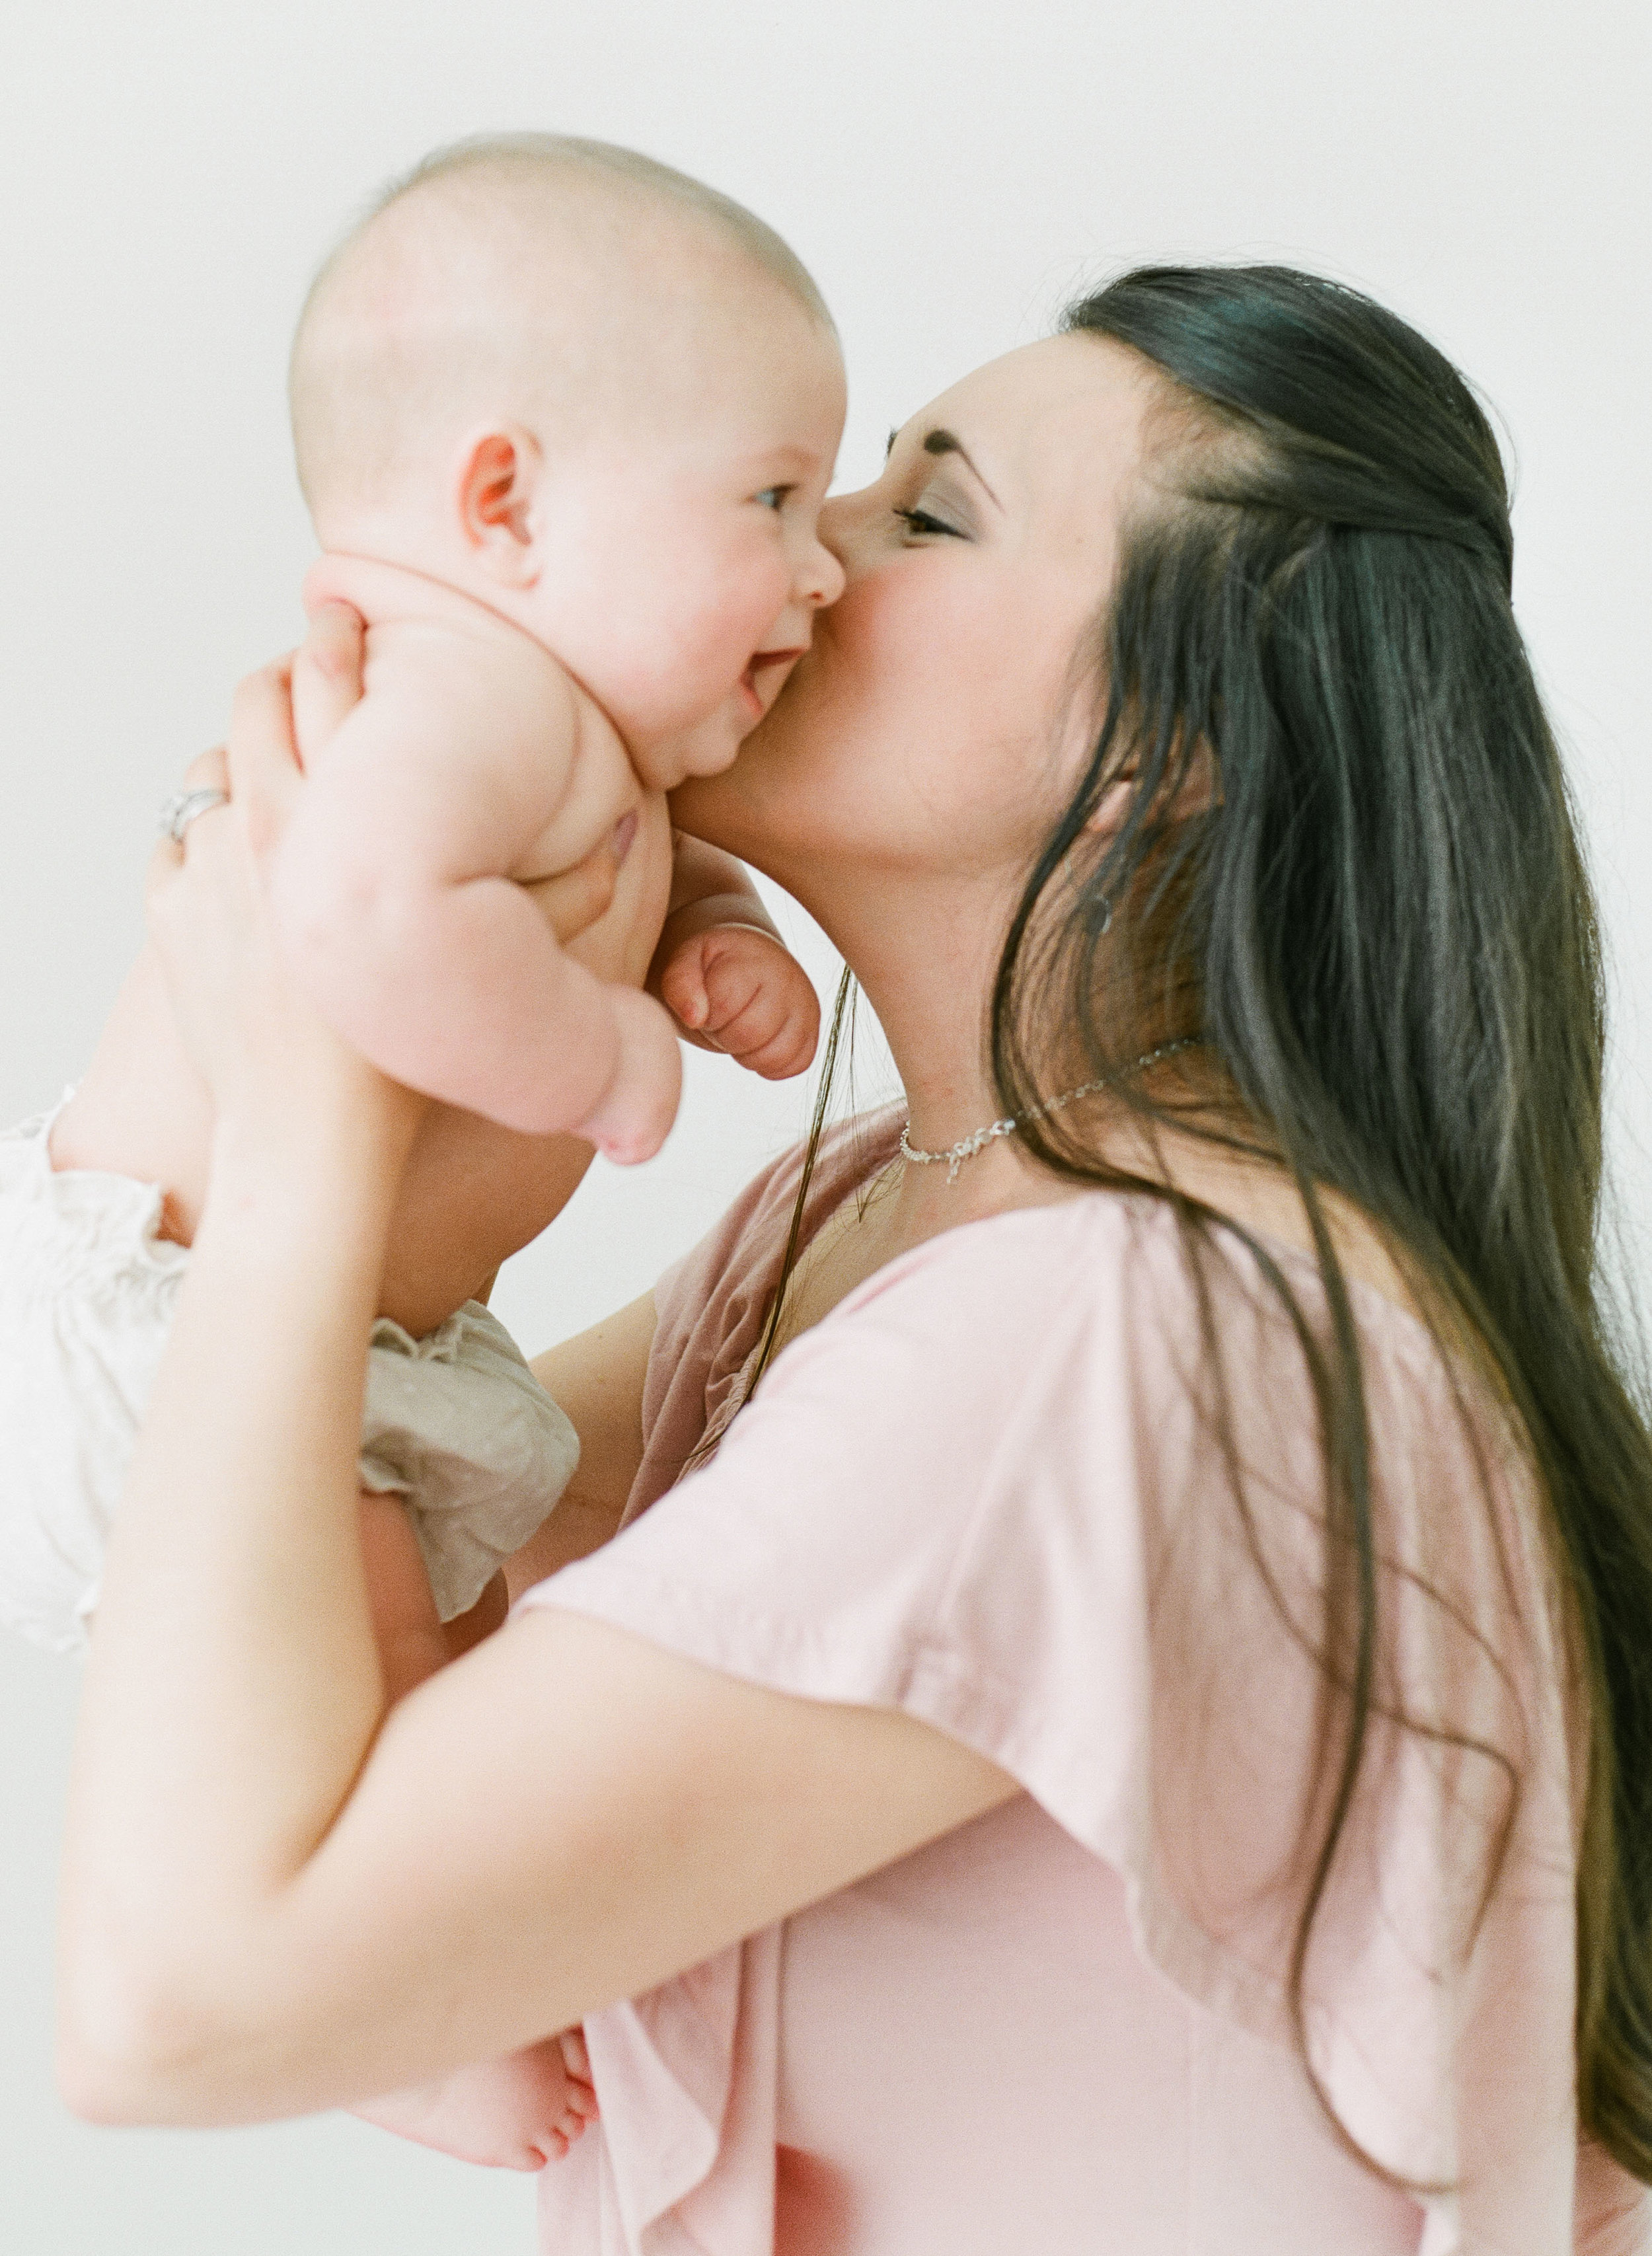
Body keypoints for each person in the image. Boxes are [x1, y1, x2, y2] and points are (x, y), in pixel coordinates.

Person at [56, 264, 1652, 2253]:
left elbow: (183, 1997)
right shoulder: (864, 1220)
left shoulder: (1117, 1329)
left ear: (1175, 738)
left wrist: (302, 1110)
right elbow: (281, 1609)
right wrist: (384, 1102)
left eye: (921, 511)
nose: (796, 553)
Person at [7, 133, 840, 2166]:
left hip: (325, 1327)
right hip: (175, 1308)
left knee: (456, 1659)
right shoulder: (472, 700)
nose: (821, 570)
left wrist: (711, 945)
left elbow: (616, 883)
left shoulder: (580, 748)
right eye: (772, 500)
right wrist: (608, 1052)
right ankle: (385, 2032)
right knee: (377, 1651)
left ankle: (435, 1947)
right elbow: (364, 918)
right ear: (507, 502)